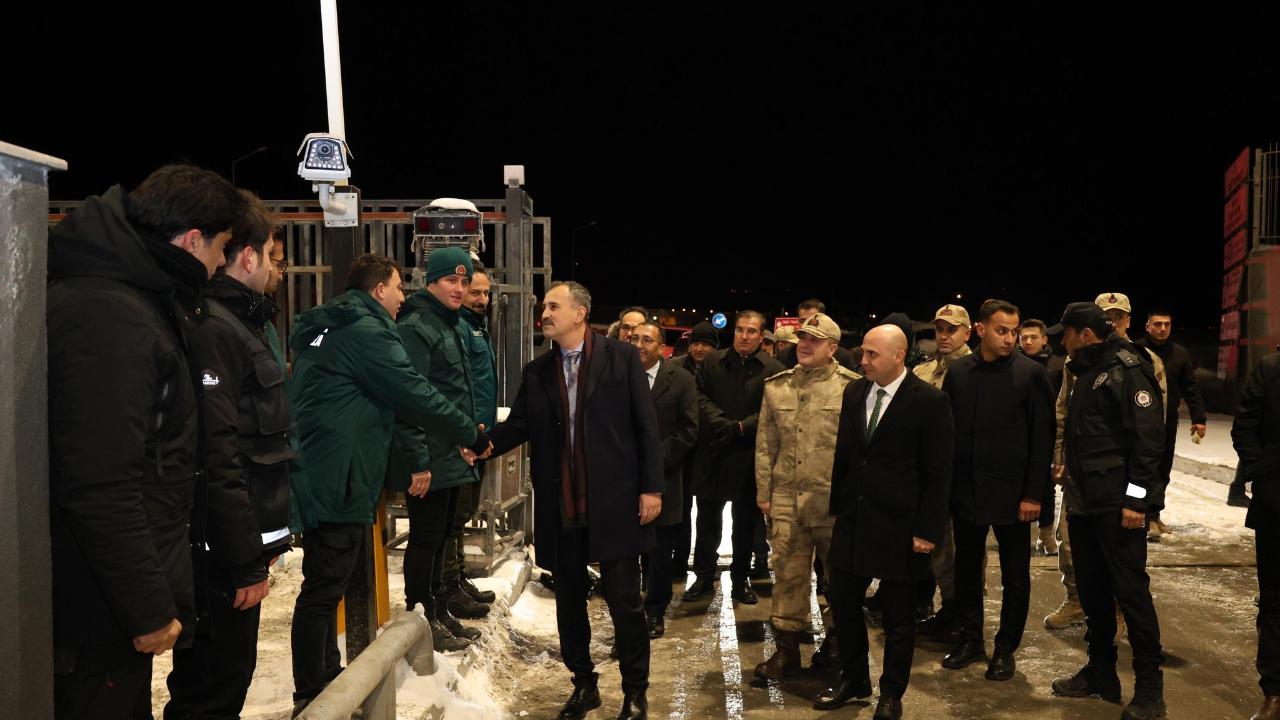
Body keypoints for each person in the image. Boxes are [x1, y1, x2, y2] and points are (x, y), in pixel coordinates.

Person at [48, 164, 243, 720]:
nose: (219, 265)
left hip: (107, 608)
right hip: (94, 618)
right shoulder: (109, 315)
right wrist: (148, 609)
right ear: (190, 240)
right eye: (220, 248)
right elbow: (99, 483)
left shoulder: (131, 300)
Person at [287, 253, 490, 714]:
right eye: (399, 288)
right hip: (338, 474)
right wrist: (471, 433)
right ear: (379, 290)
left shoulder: (334, 328)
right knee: (323, 585)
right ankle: (311, 694)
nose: (403, 297)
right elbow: (414, 392)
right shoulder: (368, 333)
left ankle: (327, 679)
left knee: (327, 580)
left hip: (331, 469)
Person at [486, 281, 663, 720]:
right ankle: (584, 684)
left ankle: (635, 692)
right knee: (569, 601)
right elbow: (520, 426)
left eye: (552, 306)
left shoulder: (621, 358)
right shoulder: (538, 370)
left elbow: (646, 427)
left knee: (625, 601)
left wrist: (651, 488)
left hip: (616, 501)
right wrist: (480, 444)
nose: (544, 313)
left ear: (580, 313)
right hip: (561, 506)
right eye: (544, 306)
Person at [166, 191, 295, 718]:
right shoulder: (218, 328)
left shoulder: (240, 324)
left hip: (232, 549)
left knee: (225, 684)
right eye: (273, 257)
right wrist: (243, 562)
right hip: (220, 556)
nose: (276, 270)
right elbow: (218, 456)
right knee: (212, 691)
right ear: (249, 256)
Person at [818, 324, 953, 720]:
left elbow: (938, 472)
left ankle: (891, 694)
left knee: (898, 618)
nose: (863, 361)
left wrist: (927, 531)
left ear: (899, 356)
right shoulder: (855, 391)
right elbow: (847, 454)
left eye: (872, 354)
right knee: (842, 603)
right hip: (855, 521)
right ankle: (855, 678)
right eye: (862, 353)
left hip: (901, 527)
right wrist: (838, 507)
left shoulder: (930, 401)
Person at [1049, 302, 1167, 720]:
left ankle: (1150, 691)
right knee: (1094, 594)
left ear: (1084, 333)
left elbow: (1147, 442)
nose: (1061, 340)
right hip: (1084, 502)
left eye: (1065, 333)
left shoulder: (1127, 368)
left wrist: (1137, 501)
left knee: (1131, 596)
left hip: (1117, 506)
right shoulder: (1087, 370)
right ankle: (1101, 672)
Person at [939, 300, 1054, 682]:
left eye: (1014, 331)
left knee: (1015, 576)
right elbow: (949, 434)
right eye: (1002, 330)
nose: (1010, 339)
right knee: (967, 571)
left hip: (1013, 495)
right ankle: (971, 639)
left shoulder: (1030, 373)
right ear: (981, 330)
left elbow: (1042, 439)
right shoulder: (958, 372)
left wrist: (1034, 495)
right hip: (967, 491)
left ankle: (1005, 648)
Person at [388, 247, 491, 652]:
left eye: (465, 282)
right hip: (431, 456)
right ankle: (421, 615)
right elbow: (411, 399)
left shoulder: (447, 323)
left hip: (451, 453)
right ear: (430, 281)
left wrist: (467, 438)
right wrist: (419, 460)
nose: (460, 288)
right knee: (426, 537)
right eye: (452, 280)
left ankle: (437, 609)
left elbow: (451, 392)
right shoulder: (417, 325)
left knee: (443, 532)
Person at [753, 313, 860, 679]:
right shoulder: (776, 387)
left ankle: (835, 644)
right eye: (802, 337)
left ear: (833, 349)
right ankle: (786, 651)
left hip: (833, 503)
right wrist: (764, 493)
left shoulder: (853, 388)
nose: (805, 344)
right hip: (787, 500)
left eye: (815, 339)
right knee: (787, 574)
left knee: (840, 579)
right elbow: (765, 445)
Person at [683, 311, 784, 606]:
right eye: (740, 330)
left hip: (748, 454)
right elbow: (698, 395)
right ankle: (703, 577)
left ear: (761, 336)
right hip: (714, 450)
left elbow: (772, 408)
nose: (744, 336)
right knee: (708, 520)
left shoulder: (773, 368)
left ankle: (740, 581)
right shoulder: (713, 361)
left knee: (745, 524)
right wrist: (719, 421)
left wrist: (742, 426)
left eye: (752, 331)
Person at [629, 322, 699, 638]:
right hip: (623, 479)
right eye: (634, 339)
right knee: (626, 553)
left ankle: (655, 611)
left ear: (662, 347)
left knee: (659, 555)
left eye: (647, 340)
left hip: (666, 479)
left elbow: (689, 430)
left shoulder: (681, 379)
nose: (639, 344)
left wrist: (654, 460)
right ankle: (628, 611)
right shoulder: (619, 376)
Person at [1232, 349, 1280, 720]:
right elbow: (1244, 424)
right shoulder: (1269, 367)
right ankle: (1274, 692)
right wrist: (1261, 469)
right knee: (1275, 601)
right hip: (1276, 503)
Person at [1136, 309, 1208, 534]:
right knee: (1139, 469)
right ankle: (1138, 512)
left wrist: (1199, 418)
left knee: (1162, 470)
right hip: (1139, 423)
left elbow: (1191, 388)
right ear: (1147, 326)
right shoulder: (1136, 351)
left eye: (1167, 324)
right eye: (1157, 324)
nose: (1162, 328)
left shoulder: (1179, 353)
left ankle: (1154, 514)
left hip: (1168, 423)